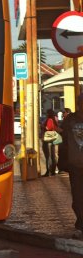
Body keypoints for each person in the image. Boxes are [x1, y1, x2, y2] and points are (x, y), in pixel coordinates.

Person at [57, 95, 83, 239]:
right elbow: (64, 143)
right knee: (78, 197)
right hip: (75, 166)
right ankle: (81, 225)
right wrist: (62, 161)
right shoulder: (70, 121)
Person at [41, 109, 61, 176]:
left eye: (47, 113)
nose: (46, 114)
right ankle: (52, 171)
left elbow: (49, 128)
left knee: (48, 156)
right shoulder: (54, 120)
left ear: (48, 114)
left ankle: (49, 171)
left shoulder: (49, 120)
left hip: (48, 140)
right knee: (53, 156)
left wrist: (42, 126)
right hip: (53, 139)